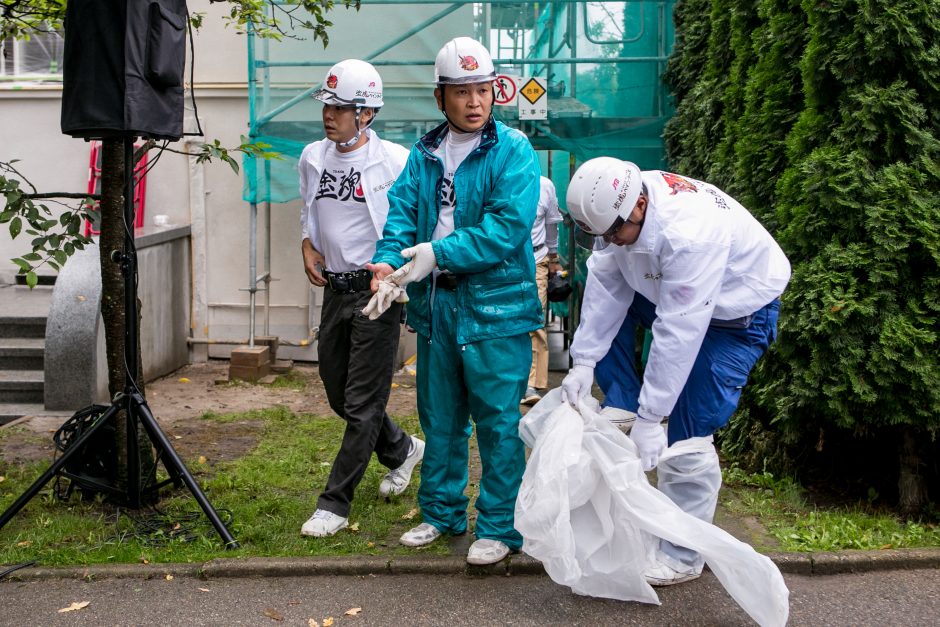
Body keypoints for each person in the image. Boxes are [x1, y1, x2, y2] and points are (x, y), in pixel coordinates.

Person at [561, 157, 791, 586]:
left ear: (639, 208)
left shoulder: (691, 235)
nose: (609, 241)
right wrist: (584, 362)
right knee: (611, 305)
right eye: (601, 234)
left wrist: (653, 419)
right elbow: (605, 286)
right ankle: (622, 404)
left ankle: (683, 554)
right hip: (669, 289)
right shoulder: (616, 209)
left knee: (690, 429)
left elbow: (679, 331)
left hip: (737, 313)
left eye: (614, 232)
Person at [364, 37, 543, 565]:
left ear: (495, 93)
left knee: (497, 422)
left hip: (497, 308)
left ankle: (499, 526)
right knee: (440, 418)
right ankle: (441, 513)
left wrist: (436, 253)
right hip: (437, 306)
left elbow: (505, 229)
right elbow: (400, 212)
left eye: (483, 90)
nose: (474, 102)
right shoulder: (424, 153)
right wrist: (387, 262)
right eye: (462, 92)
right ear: (440, 97)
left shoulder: (513, 150)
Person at [297, 59, 425, 538]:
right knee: (338, 392)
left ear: (366, 113)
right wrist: (307, 244)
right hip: (335, 291)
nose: (329, 114)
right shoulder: (313, 157)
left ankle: (334, 503)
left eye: (341, 107)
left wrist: (401, 278)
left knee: (363, 404)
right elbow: (310, 212)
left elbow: (414, 222)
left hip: (378, 294)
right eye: (327, 104)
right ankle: (403, 450)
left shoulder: (395, 160)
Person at [521, 176, 563, 406]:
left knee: (534, 318)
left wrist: (554, 258)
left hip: (536, 259)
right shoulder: (495, 177)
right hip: (502, 261)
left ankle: (531, 383)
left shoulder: (545, 185)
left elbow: (551, 225)